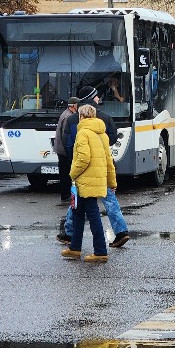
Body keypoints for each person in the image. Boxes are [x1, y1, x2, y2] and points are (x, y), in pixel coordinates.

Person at [60, 104, 116, 263]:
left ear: (81, 116)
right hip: (97, 180)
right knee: (78, 213)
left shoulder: (82, 133)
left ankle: (100, 251)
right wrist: (112, 181)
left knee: (92, 215)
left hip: (85, 181)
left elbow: (83, 158)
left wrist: (72, 174)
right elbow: (109, 161)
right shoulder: (102, 134)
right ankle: (75, 248)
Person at [78, 85, 130, 247]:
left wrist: (72, 173)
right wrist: (112, 180)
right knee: (110, 201)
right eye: (96, 96)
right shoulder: (105, 119)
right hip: (102, 170)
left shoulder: (76, 121)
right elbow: (112, 141)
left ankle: (69, 233)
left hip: (85, 173)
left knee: (77, 202)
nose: (98, 98)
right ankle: (121, 231)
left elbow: (69, 143)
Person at [54, 96, 80, 206]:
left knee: (64, 173)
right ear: (73, 106)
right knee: (65, 174)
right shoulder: (68, 116)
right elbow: (66, 136)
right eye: (78, 105)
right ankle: (66, 195)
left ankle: (66, 195)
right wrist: (70, 151)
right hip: (64, 151)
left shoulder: (66, 114)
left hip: (61, 149)